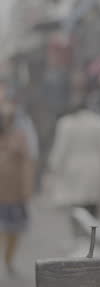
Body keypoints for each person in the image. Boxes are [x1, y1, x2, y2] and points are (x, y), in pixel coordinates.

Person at [46, 100, 100, 218]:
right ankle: (92, 235)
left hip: (72, 173)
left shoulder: (66, 124)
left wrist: (53, 169)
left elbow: (60, 151)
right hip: (95, 172)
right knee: (92, 212)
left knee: (77, 213)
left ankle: (80, 235)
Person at [0, 92, 34, 277]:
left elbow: (26, 163)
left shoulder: (19, 137)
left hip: (13, 193)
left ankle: (8, 259)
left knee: (14, 230)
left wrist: (27, 189)